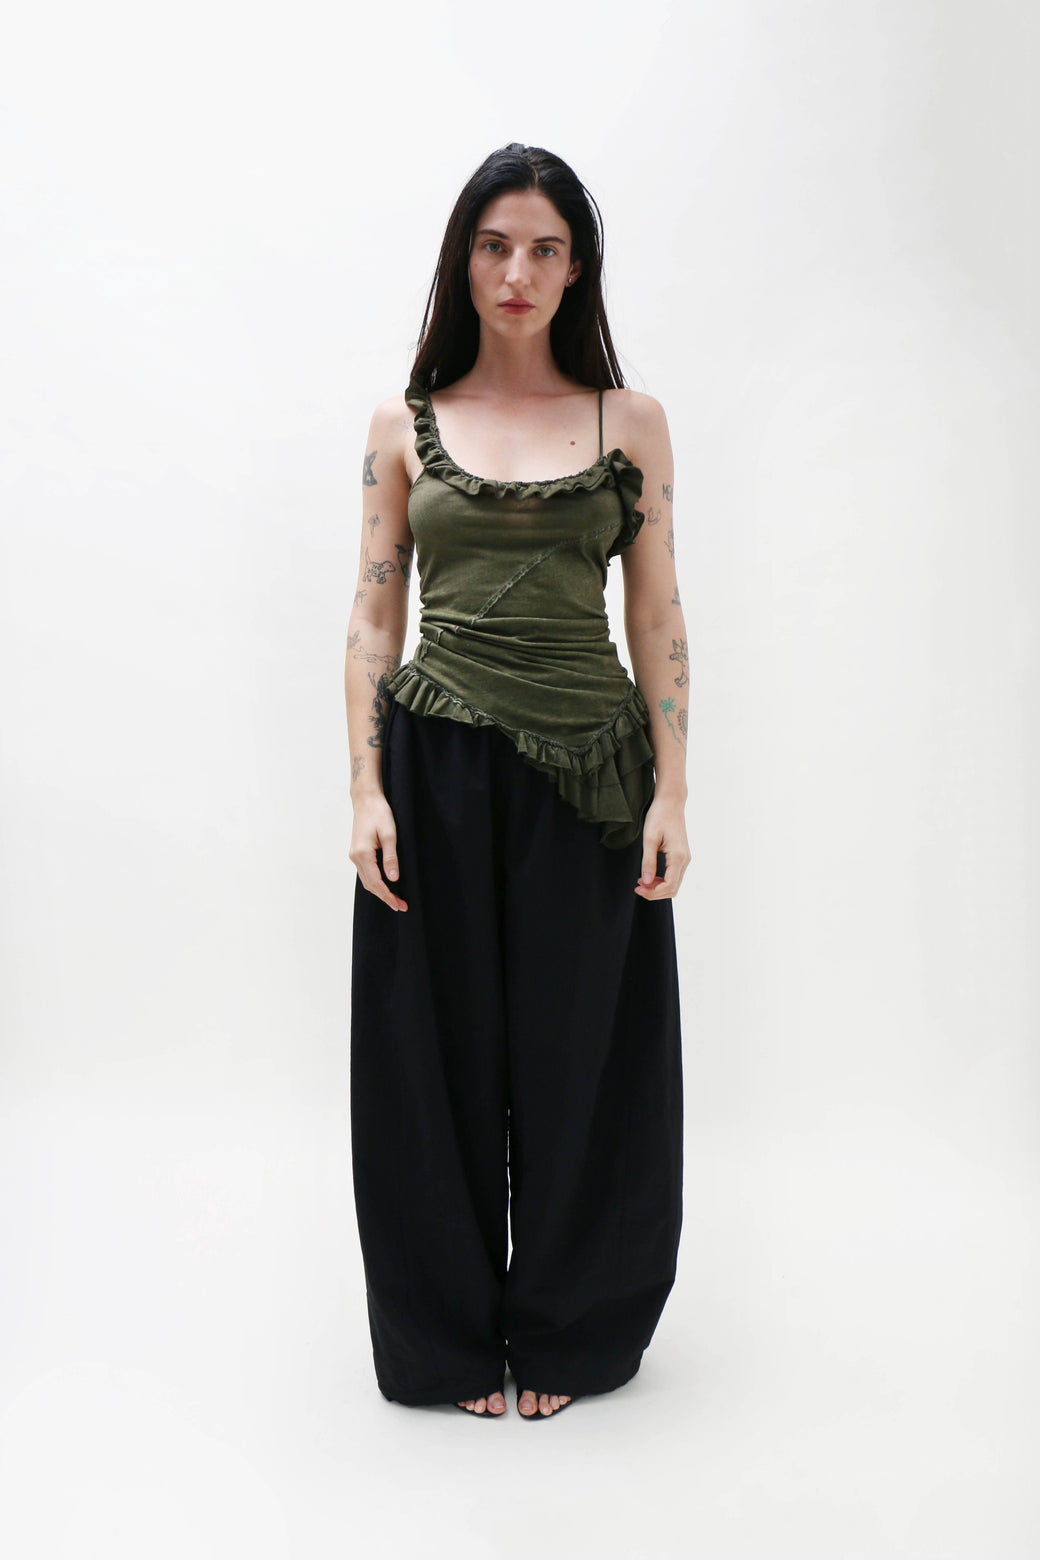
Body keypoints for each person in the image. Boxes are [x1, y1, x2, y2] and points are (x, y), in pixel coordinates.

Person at [345, 143, 690, 1420]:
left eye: (544, 248)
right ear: (463, 260)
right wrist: (364, 789)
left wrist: (673, 793)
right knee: (424, 1057)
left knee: (582, 1052)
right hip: (431, 763)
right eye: (495, 245)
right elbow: (372, 617)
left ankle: (568, 1332)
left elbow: (655, 613)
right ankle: (440, 1342)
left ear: (574, 269)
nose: (517, 271)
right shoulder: (401, 425)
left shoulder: (628, 423)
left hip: (589, 770)